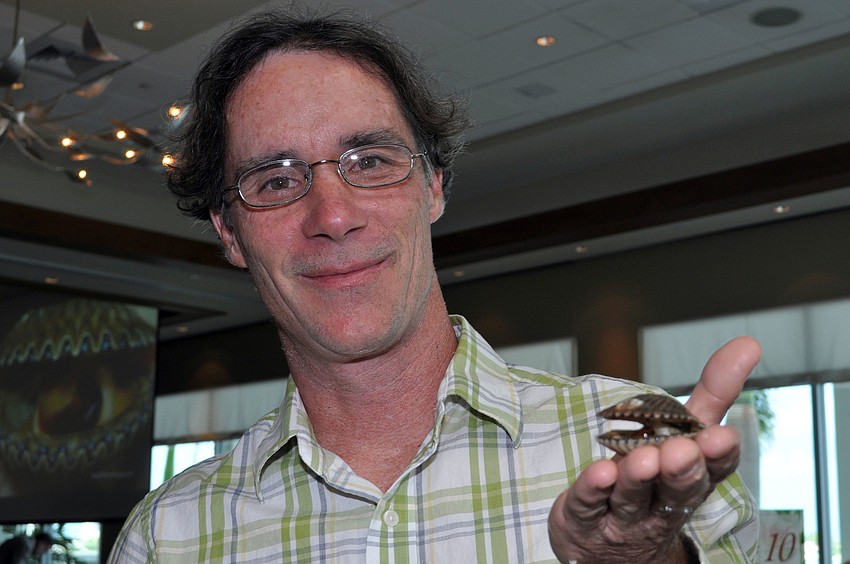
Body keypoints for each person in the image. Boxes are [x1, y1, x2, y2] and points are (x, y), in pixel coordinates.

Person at [109, 8, 762, 563]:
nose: (333, 217)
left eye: (370, 161)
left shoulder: (648, 462)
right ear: (228, 231)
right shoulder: (168, 536)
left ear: (433, 186)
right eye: (276, 180)